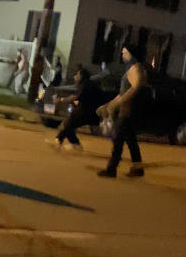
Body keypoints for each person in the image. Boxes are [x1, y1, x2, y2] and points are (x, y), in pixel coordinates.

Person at [96, 44, 149, 178]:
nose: (122, 55)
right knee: (130, 139)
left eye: (125, 53)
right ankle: (137, 168)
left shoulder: (135, 68)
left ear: (132, 54)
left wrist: (118, 103)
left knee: (117, 139)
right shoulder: (132, 68)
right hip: (126, 110)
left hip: (127, 111)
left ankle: (111, 169)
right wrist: (108, 105)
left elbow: (135, 87)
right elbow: (122, 92)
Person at [52, 68, 104, 149]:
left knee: (68, 124)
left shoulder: (85, 85)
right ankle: (75, 143)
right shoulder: (88, 84)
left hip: (88, 112)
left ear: (81, 77)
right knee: (69, 124)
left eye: (77, 75)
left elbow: (75, 97)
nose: (74, 77)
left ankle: (59, 140)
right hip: (91, 112)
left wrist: (60, 100)